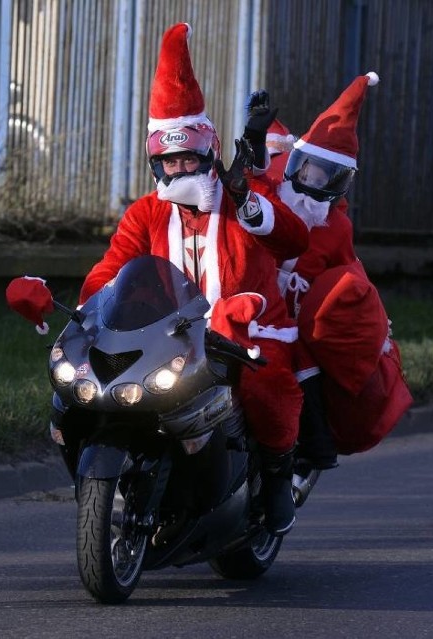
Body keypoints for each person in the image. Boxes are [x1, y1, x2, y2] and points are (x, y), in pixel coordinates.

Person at [79, 23, 310, 536]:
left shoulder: (237, 198)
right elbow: (113, 267)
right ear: (155, 165)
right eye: (169, 160)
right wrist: (91, 310)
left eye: (189, 158)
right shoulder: (144, 214)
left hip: (248, 329)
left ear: (209, 157)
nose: (180, 168)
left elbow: (294, 241)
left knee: (268, 387)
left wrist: (248, 200)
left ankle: (275, 474)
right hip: (167, 334)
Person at [243, 73, 413, 472]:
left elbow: (345, 274)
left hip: (291, 315)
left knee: (299, 354)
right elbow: (251, 177)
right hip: (243, 296)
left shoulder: (336, 228)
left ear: (339, 185)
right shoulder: (273, 194)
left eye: (322, 178)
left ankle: (315, 443)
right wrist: (254, 131)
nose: (308, 185)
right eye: (304, 172)